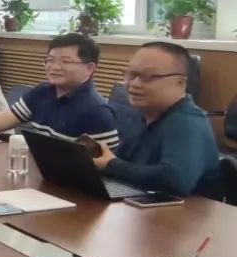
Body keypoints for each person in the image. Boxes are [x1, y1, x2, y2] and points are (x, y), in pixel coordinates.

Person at [93, 42, 221, 198]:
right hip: (142, 202)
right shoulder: (142, 113)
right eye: (131, 74)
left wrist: (112, 165)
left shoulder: (187, 122)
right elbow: (121, 161)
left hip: (189, 210)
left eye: (149, 76)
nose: (134, 84)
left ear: (180, 83)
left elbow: (175, 180)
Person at [0, 33, 119, 147]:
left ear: (89, 68)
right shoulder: (43, 91)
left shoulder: (97, 112)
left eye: (65, 61)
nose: (54, 67)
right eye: (50, 60)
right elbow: (5, 118)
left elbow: (102, 167)